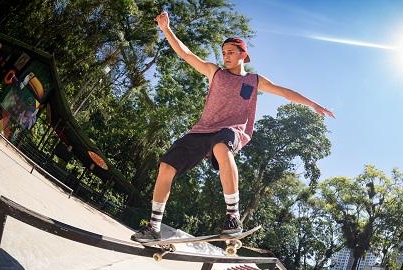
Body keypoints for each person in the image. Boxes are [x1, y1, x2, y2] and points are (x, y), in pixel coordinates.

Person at [131, 11, 335, 242]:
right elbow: (186, 54)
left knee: (221, 146)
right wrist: (166, 29)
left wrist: (313, 104)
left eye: (230, 53)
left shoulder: (254, 80)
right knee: (166, 166)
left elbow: (285, 92)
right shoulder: (214, 72)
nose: (225, 56)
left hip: (232, 131)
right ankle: (154, 227)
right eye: (223, 53)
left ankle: (233, 216)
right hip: (202, 130)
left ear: (243, 54)